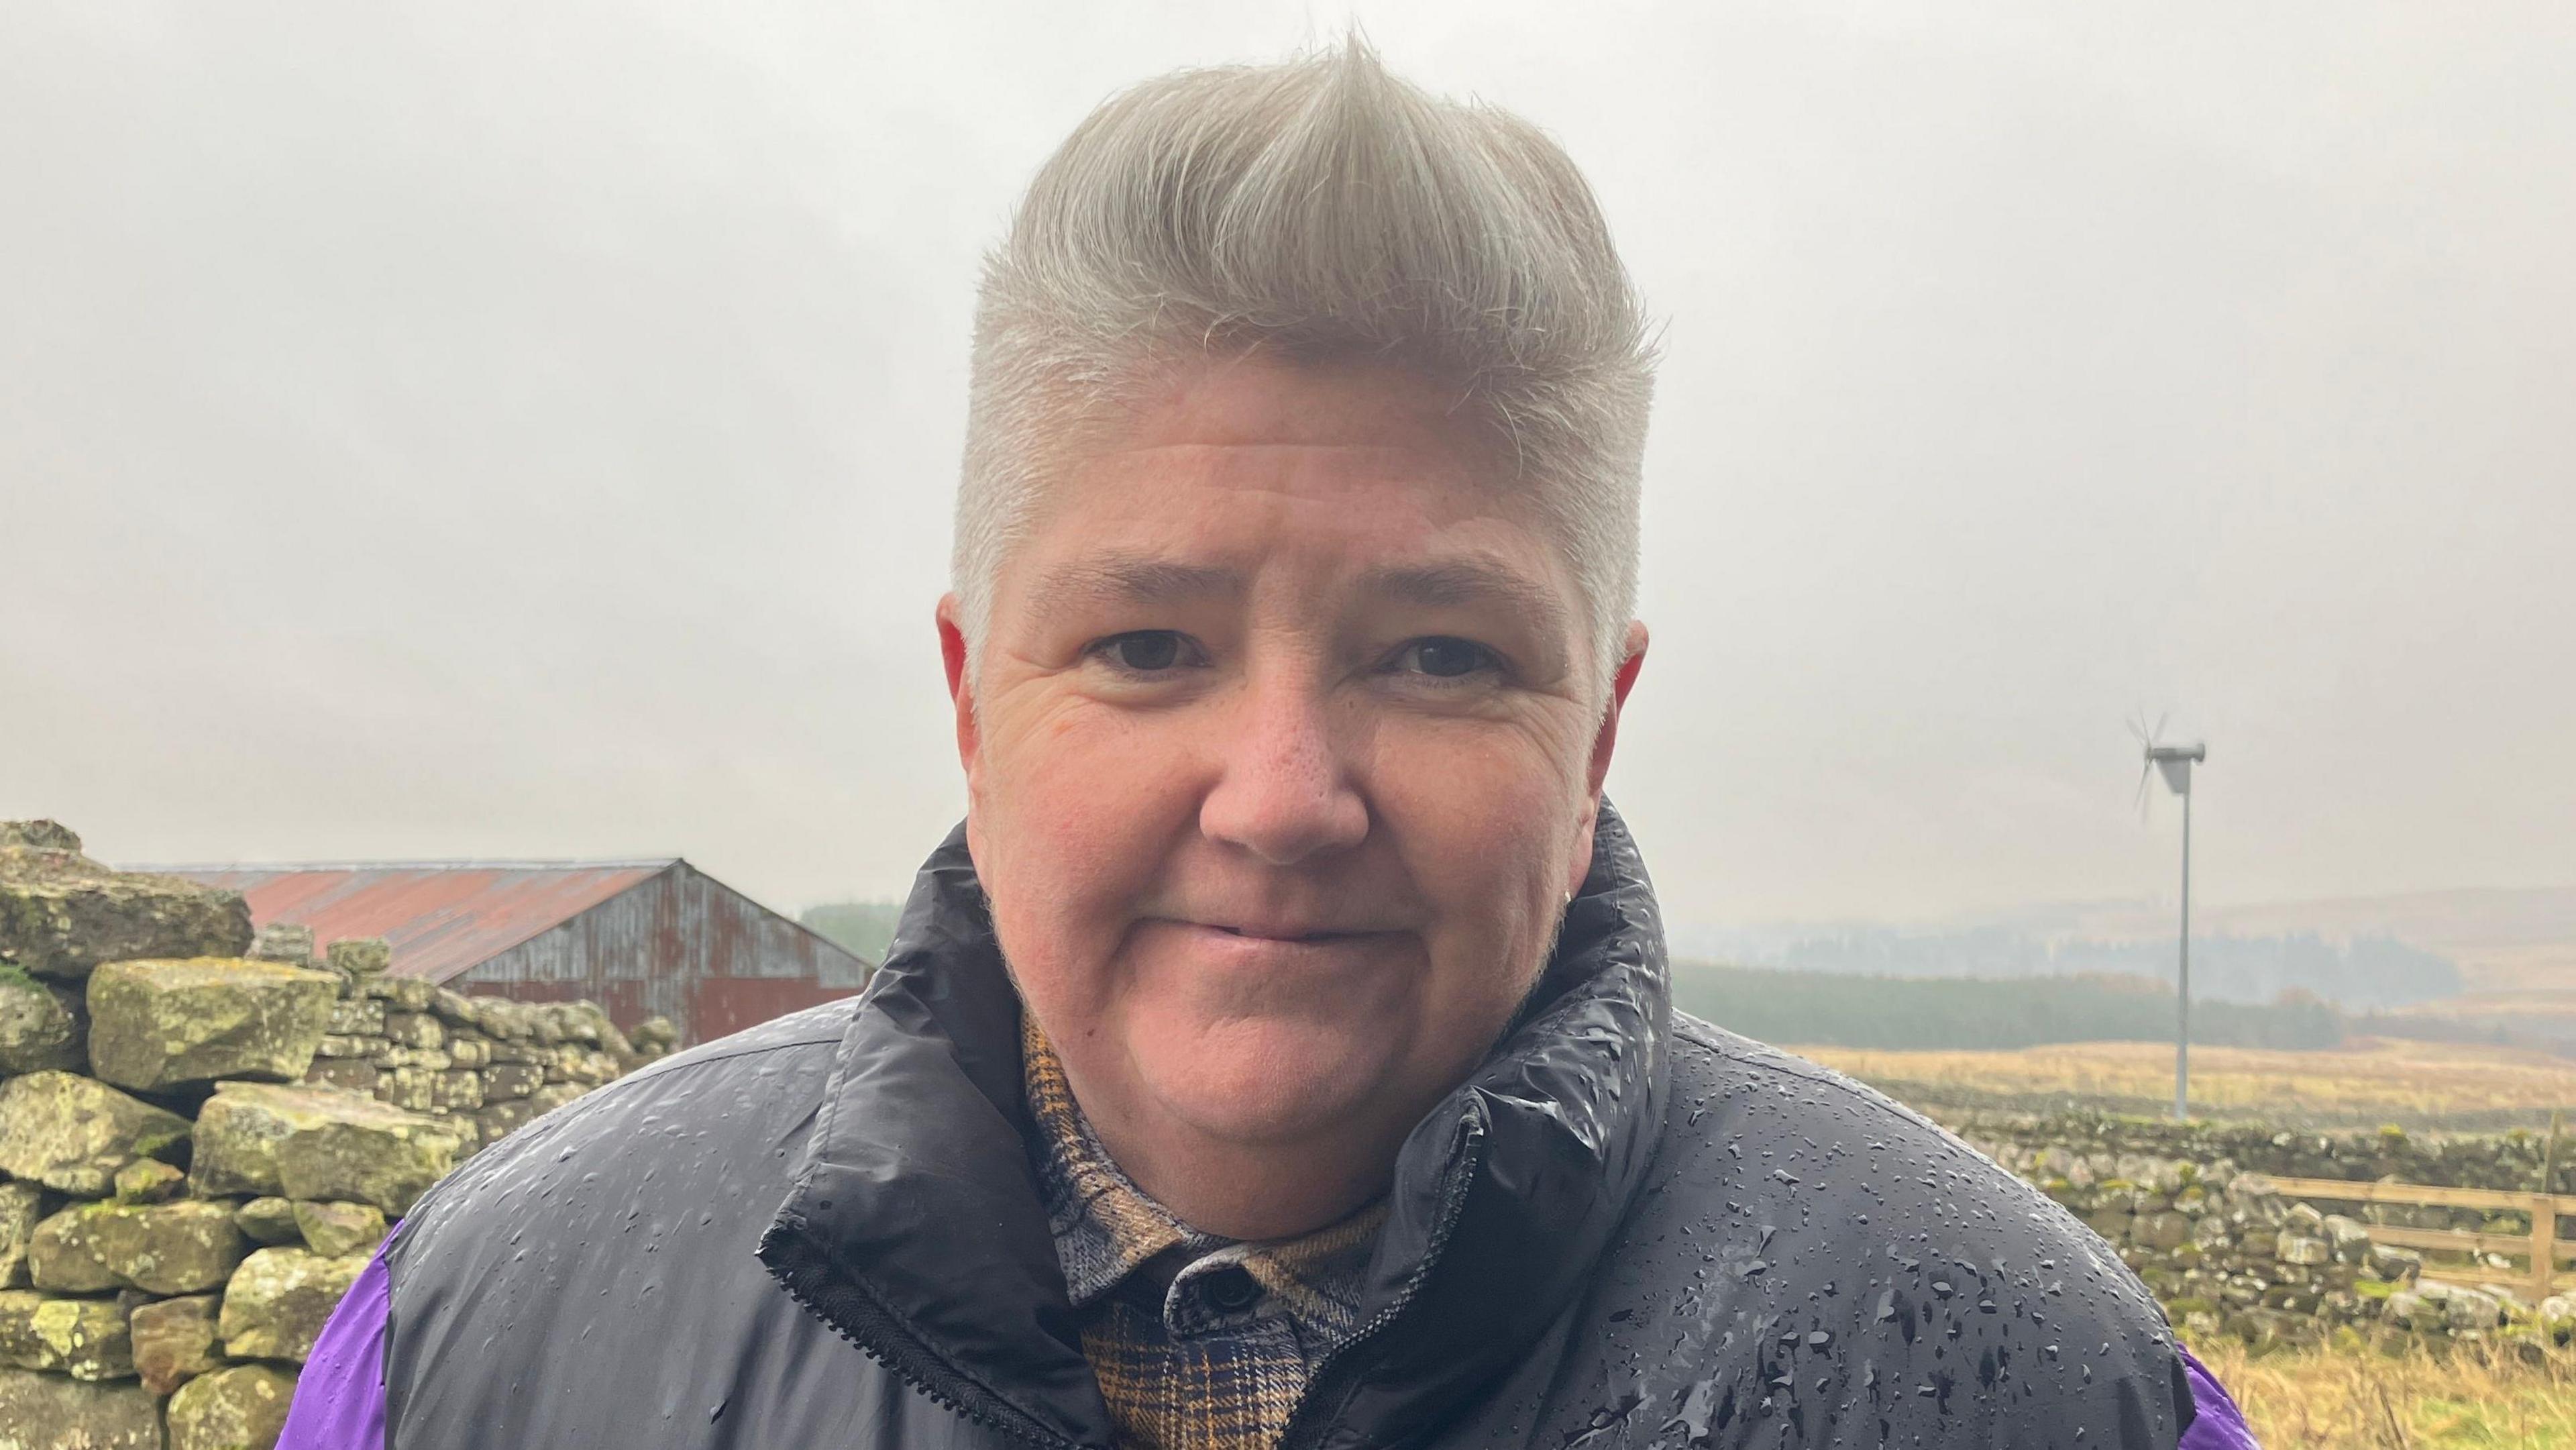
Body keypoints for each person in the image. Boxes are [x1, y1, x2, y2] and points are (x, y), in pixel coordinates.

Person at [279, 40, 2258, 1450]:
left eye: (1444, 656)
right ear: (972, 702)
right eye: (1148, 644)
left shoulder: (2039, 1390)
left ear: (1600, 733)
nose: (1286, 796)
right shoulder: (481, 1342)